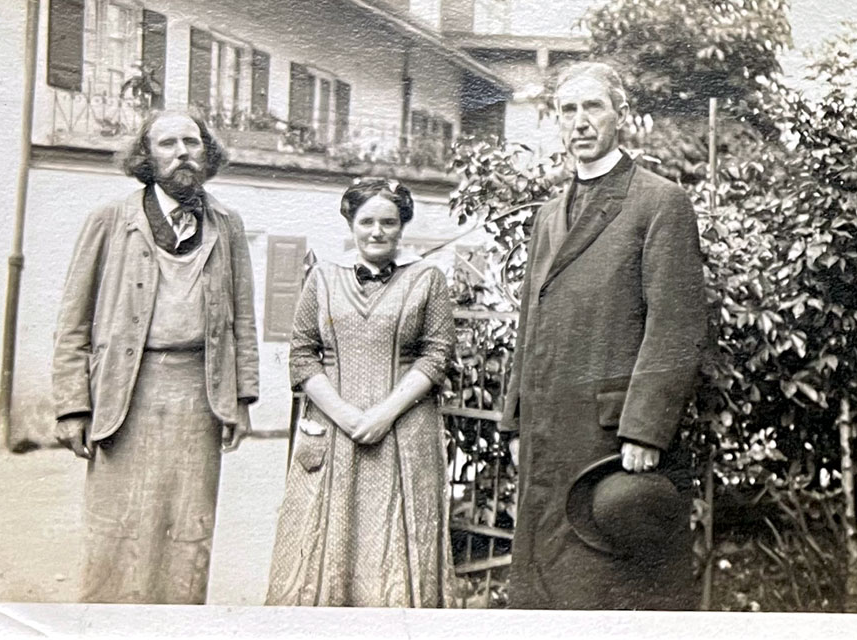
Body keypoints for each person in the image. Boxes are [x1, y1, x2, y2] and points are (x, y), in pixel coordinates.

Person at [499, 61, 708, 610]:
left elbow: (677, 325)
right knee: (545, 589)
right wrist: (516, 417)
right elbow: (530, 320)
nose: (580, 122)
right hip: (547, 430)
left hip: (610, 442)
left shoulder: (658, 202)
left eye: (593, 107)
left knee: (608, 587)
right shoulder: (548, 214)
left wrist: (646, 429)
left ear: (622, 116)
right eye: (568, 110)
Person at [51, 109, 259, 604]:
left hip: (199, 396)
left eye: (192, 141)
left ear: (207, 153)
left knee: (187, 529)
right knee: (116, 529)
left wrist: (242, 398)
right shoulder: (110, 220)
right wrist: (72, 405)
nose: (182, 152)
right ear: (146, 156)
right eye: (168, 143)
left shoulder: (227, 223)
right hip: (126, 390)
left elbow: (243, 318)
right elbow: (73, 320)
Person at [266, 178, 457, 608]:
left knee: (394, 546)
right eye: (366, 220)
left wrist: (383, 415)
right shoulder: (322, 277)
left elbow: (437, 354)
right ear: (350, 222)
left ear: (401, 225)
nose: (377, 231)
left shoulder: (427, 279)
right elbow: (301, 354)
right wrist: (347, 416)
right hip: (334, 433)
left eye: (388, 222)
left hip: (403, 432)